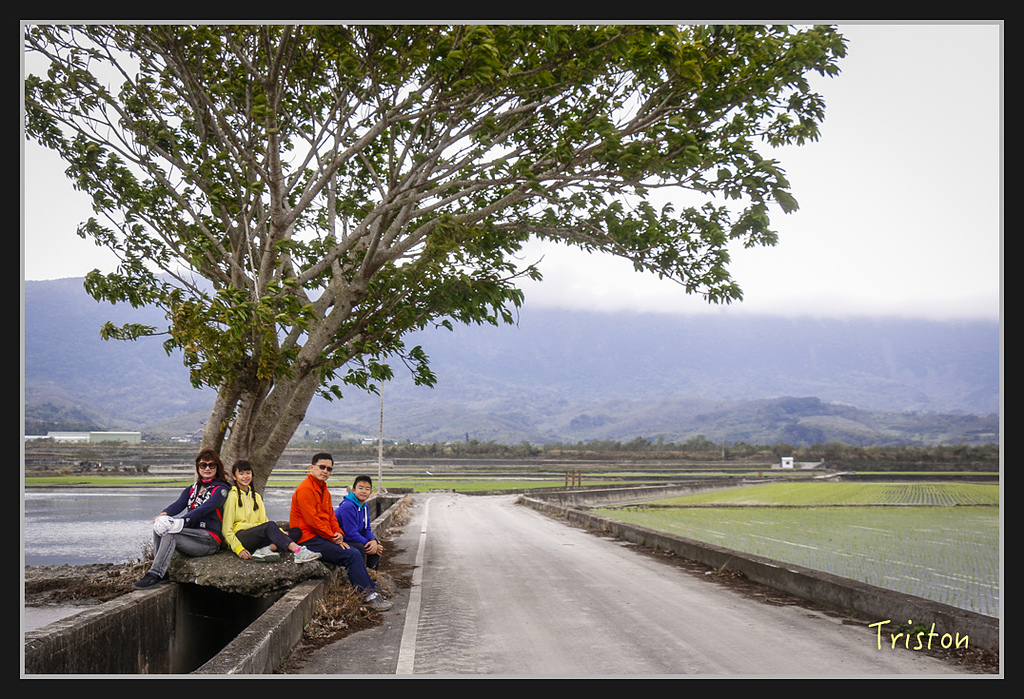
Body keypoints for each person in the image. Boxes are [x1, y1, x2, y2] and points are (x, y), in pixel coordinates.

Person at [289, 453, 392, 611]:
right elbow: (312, 521)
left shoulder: (324, 491)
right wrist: (334, 537)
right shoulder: (305, 489)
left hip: (321, 537)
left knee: (356, 549)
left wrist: (339, 533)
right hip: (308, 539)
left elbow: (331, 518)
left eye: (329, 469)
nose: (325, 471)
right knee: (352, 554)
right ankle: (368, 596)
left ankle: (370, 589)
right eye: (321, 467)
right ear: (312, 468)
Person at [134, 448, 230, 590]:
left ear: (217, 467)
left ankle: (154, 574)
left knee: (171, 533)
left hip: (208, 540)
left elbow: (204, 509)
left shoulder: (221, 490)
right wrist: (163, 515)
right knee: (160, 528)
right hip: (192, 536)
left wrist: (183, 521)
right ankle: (163, 572)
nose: (207, 468)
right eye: (203, 465)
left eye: (212, 465)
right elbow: (179, 504)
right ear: (198, 468)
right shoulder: (193, 489)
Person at [222, 460, 321, 564]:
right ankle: (298, 551)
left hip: (257, 536)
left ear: (252, 474)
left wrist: (279, 532)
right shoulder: (232, 496)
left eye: (248, 473)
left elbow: (264, 521)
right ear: (234, 477)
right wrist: (239, 549)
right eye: (241, 474)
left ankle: (265, 550)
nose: (245, 476)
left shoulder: (256, 497)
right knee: (270, 526)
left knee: (296, 532)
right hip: (242, 537)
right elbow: (226, 530)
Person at [335, 474, 383, 571]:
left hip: (349, 538)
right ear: (353, 490)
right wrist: (369, 543)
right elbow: (351, 534)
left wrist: (373, 540)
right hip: (339, 540)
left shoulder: (364, 507)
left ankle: (372, 577)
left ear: (370, 492)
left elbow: (366, 529)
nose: (364, 491)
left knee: (376, 548)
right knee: (361, 547)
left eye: (367, 489)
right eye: (360, 488)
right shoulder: (348, 506)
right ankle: (360, 579)